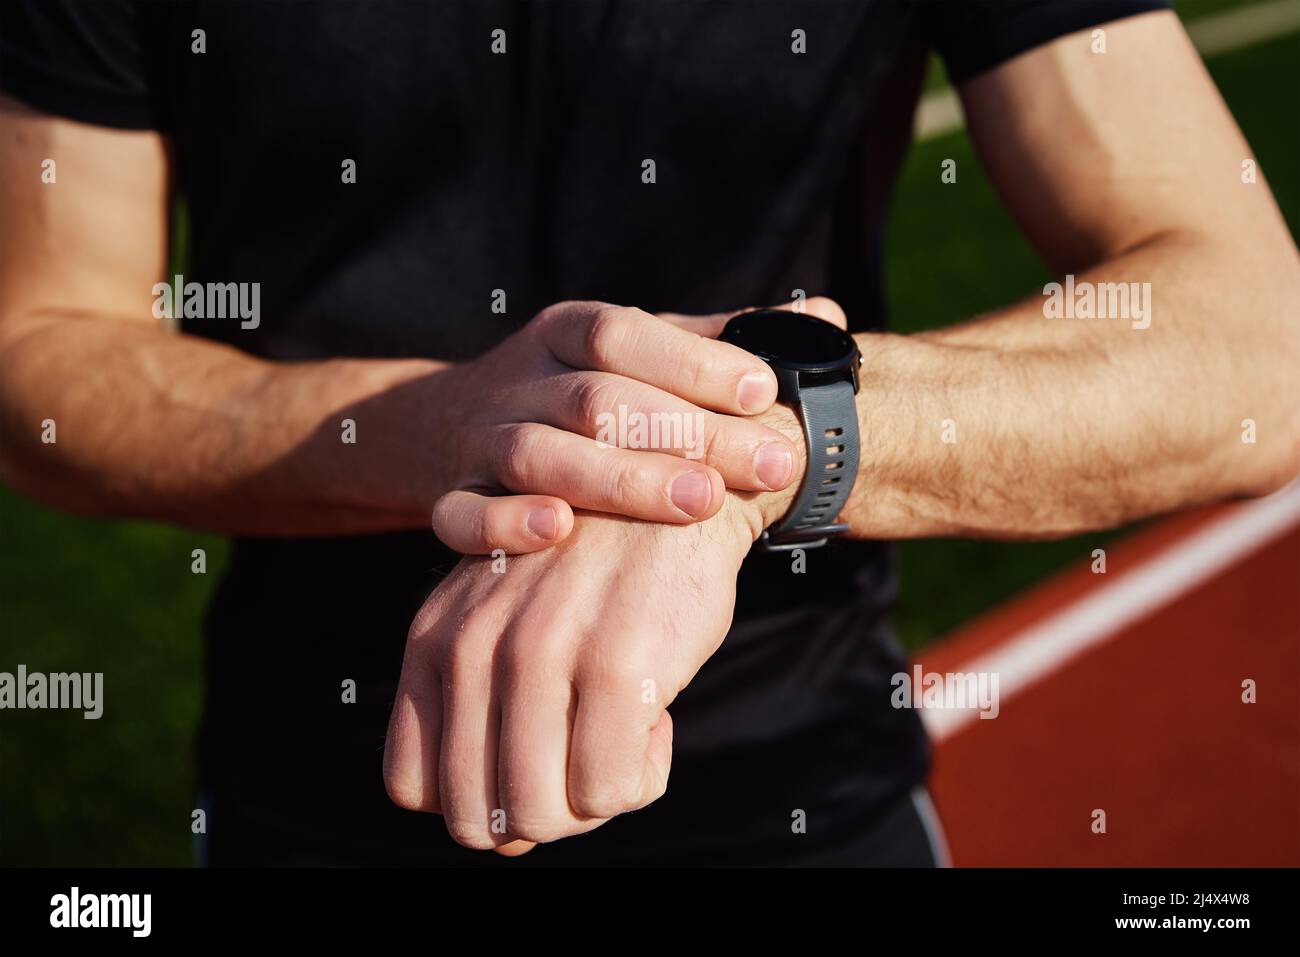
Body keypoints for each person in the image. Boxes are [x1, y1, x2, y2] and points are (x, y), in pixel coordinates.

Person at [0, 1, 1295, 866]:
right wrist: (454, 425)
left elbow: (1258, 343)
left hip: (801, 783)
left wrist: (754, 444)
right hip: (327, 785)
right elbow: (37, 347)